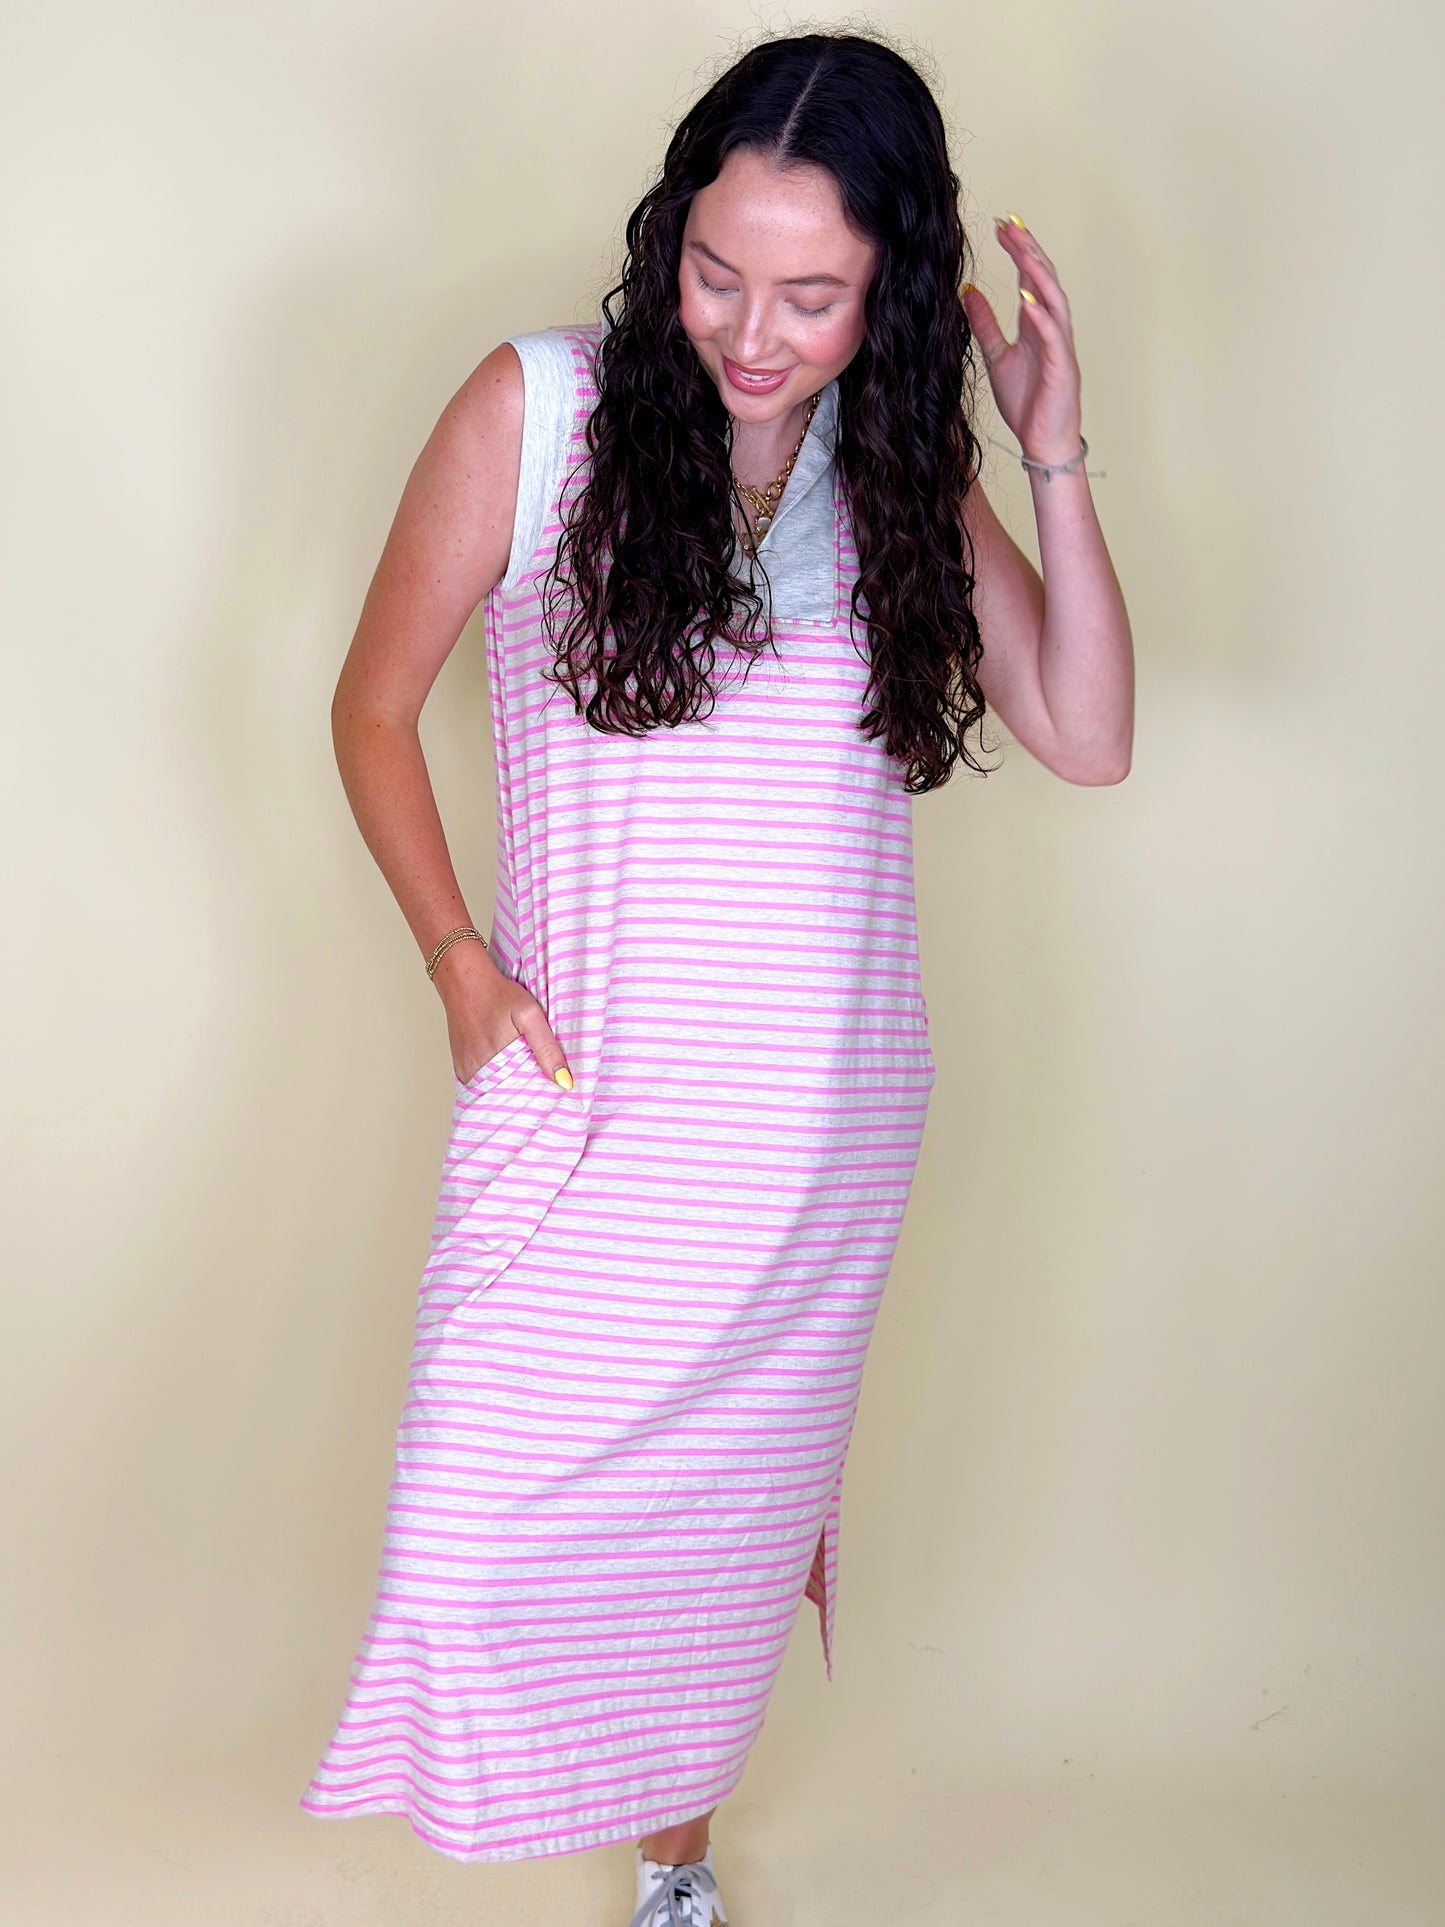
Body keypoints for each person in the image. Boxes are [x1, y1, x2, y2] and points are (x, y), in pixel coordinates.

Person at [299, 27, 1133, 1926]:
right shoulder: (539, 411)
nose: (753, 334)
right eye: (714, 274)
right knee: (476, 1525)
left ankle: (671, 1871)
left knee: (719, 1539)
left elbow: (1085, 733)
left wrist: (1046, 446)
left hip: (814, 1132)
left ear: (889, 290)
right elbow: (368, 706)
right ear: (667, 237)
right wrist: (455, 962)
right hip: (590, 1108)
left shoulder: (899, 475)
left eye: (813, 298)